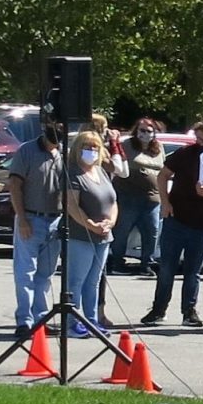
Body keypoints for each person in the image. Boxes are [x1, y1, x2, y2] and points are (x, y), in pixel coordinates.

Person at [145, 119, 203, 327]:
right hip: (176, 219)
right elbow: (163, 175)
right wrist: (165, 202)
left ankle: (189, 311)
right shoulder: (184, 154)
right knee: (167, 268)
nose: (201, 142)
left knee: (193, 271)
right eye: (198, 138)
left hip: (202, 223)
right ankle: (158, 310)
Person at [5, 126, 64, 333]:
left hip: (55, 220)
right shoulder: (27, 150)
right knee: (25, 273)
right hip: (30, 218)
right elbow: (14, 185)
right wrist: (22, 219)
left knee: (45, 275)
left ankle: (41, 318)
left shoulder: (63, 152)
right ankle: (24, 320)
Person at [61, 129, 120, 335]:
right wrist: (90, 225)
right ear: (78, 149)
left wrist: (110, 222)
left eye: (95, 147)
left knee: (93, 281)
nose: (92, 151)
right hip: (81, 235)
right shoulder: (73, 173)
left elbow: (112, 201)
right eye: (87, 147)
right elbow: (72, 206)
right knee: (76, 280)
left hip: (104, 236)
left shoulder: (101, 172)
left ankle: (91, 319)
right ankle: (72, 322)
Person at [108, 118, 165, 276]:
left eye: (149, 131)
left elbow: (163, 168)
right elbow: (118, 164)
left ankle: (146, 264)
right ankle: (117, 263)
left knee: (152, 232)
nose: (145, 134)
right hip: (128, 198)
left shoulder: (158, 148)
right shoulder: (127, 145)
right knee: (121, 231)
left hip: (152, 199)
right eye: (142, 130)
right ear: (136, 131)